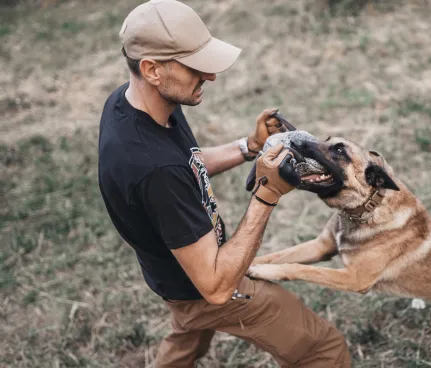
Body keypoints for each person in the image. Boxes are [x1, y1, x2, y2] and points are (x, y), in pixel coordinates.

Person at [97, 1, 351, 367]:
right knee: (322, 348)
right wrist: (267, 192)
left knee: (187, 338)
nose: (211, 76)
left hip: (175, 275)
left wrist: (247, 147)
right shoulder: (154, 169)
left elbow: (187, 164)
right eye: (196, 67)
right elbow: (215, 287)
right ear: (153, 69)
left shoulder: (133, 102)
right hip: (205, 286)